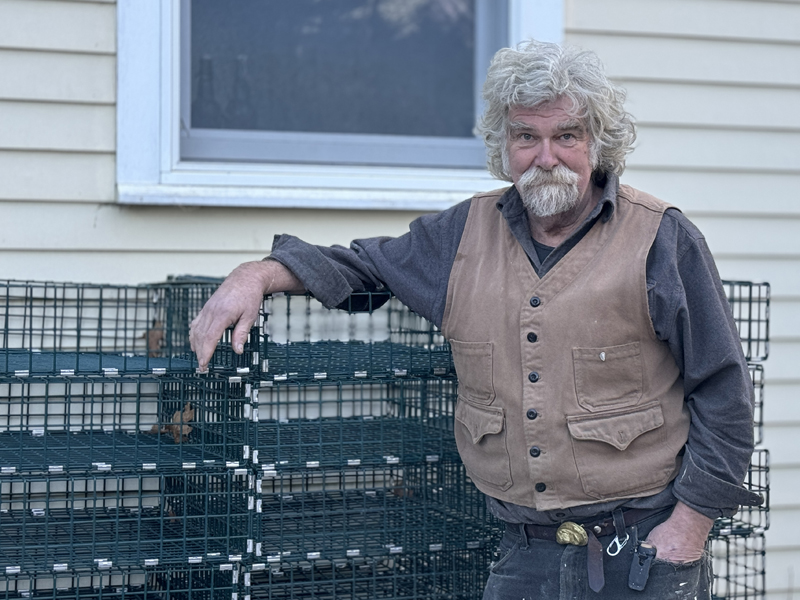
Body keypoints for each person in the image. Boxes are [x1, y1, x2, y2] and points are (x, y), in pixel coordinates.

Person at [190, 40, 761, 598]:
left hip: (641, 551)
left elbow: (723, 390)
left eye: (566, 136)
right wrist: (259, 274)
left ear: (598, 142)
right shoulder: (461, 235)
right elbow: (365, 267)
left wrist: (690, 526)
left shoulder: (662, 238)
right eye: (526, 137)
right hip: (525, 550)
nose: (546, 157)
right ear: (502, 145)